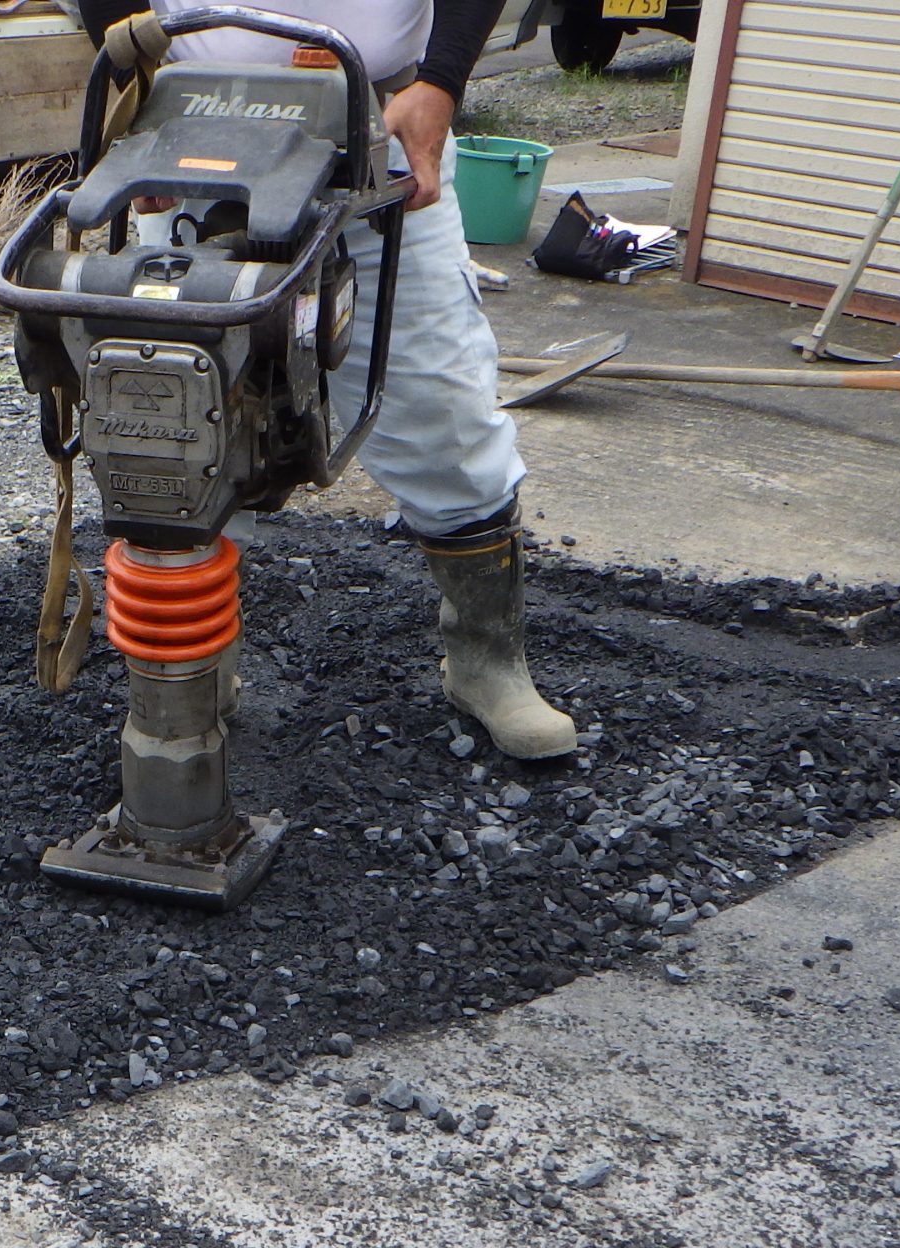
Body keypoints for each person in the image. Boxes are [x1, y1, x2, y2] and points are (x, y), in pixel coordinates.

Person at [101, 0, 575, 759]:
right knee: (182, 421)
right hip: (198, 122)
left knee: (441, 403)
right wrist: (129, 61)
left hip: (379, 128)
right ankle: (188, 669)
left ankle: (488, 663)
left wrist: (443, 83)